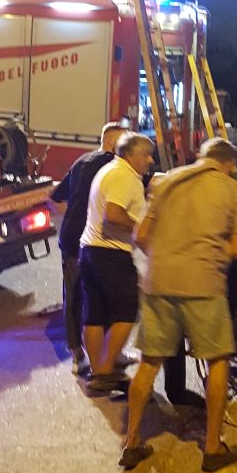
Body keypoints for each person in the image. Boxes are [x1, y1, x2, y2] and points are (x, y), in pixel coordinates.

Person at [119, 137, 237, 473]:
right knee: (217, 360)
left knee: (149, 363)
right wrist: (210, 257)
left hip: (159, 282)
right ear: (229, 164)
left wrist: (165, 260)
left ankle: (131, 443)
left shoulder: (166, 181)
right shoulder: (233, 189)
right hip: (204, 285)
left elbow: (140, 236)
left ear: (201, 157)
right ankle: (212, 448)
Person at [79, 132, 155, 395]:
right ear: (131, 155)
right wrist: (139, 229)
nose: (150, 160)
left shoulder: (110, 171)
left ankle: (97, 373)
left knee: (95, 314)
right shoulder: (125, 176)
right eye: (146, 155)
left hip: (90, 250)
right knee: (127, 311)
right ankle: (106, 370)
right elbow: (113, 215)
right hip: (111, 254)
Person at [50, 123, 124, 375]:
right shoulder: (115, 166)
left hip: (72, 237)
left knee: (74, 294)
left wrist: (71, 214)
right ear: (113, 144)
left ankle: (77, 353)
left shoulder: (81, 162)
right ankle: (109, 351)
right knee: (106, 293)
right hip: (97, 241)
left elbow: (55, 196)